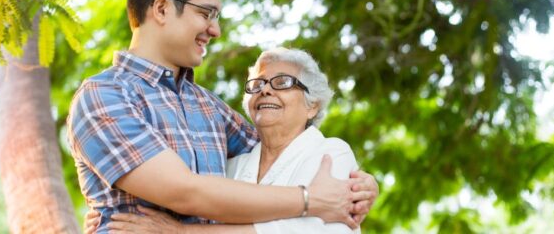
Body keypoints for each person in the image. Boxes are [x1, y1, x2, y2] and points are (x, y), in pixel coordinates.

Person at [67, 0, 378, 233]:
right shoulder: (103, 96)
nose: (215, 30)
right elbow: (184, 192)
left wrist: (358, 185)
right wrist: (310, 199)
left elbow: (281, 149)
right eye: (206, 13)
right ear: (161, 9)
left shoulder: (208, 106)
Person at [105, 47, 363, 233]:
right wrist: (106, 212)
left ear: (313, 106)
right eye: (256, 84)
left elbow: (308, 230)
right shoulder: (233, 166)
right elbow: (204, 211)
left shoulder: (332, 153)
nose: (265, 90)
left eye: (282, 82)